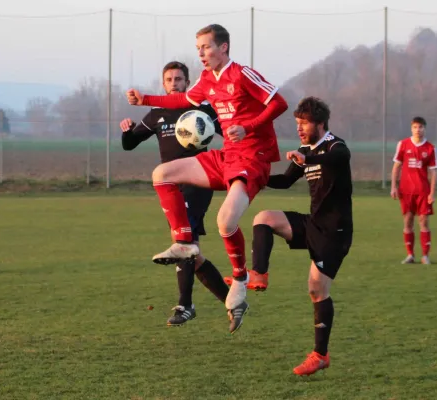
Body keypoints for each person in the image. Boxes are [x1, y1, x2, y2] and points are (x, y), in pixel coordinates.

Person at [127, 24, 288, 332]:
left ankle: (240, 280)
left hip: (253, 158)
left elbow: (278, 103)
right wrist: (144, 98)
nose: (200, 52)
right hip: (227, 156)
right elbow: (183, 100)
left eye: (206, 46)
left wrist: (249, 127)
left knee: (225, 221)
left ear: (223, 48)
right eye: (198, 47)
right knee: (162, 174)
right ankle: (184, 243)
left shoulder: (242, 74)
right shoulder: (207, 80)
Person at [243, 97, 353, 375]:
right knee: (264, 218)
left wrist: (309, 157)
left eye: (304, 123)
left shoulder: (334, 146)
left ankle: (320, 355)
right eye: (297, 123)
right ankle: (259, 274)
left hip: (335, 232)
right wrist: (253, 174)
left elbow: (340, 157)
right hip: (313, 224)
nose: (300, 129)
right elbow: (284, 180)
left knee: (317, 290)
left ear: (320, 123)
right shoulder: (306, 150)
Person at [120, 61, 229, 327]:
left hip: (199, 179)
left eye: (179, 79)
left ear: (187, 83)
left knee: (185, 242)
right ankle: (232, 300)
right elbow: (130, 144)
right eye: (169, 79)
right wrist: (126, 130)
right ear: (163, 83)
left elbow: (230, 134)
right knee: (191, 251)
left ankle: (185, 305)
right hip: (171, 186)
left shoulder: (203, 110)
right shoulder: (157, 113)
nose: (173, 83)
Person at [390, 116, 437, 265]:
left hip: (423, 191)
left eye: (421, 127)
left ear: (425, 129)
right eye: (415, 127)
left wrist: (432, 193)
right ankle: (410, 255)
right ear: (411, 129)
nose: (418, 130)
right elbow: (396, 167)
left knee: (423, 221)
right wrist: (393, 186)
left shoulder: (430, 148)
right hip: (406, 191)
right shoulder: (403, 144)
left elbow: (434, 172)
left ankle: (425, 256)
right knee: (408, 221)